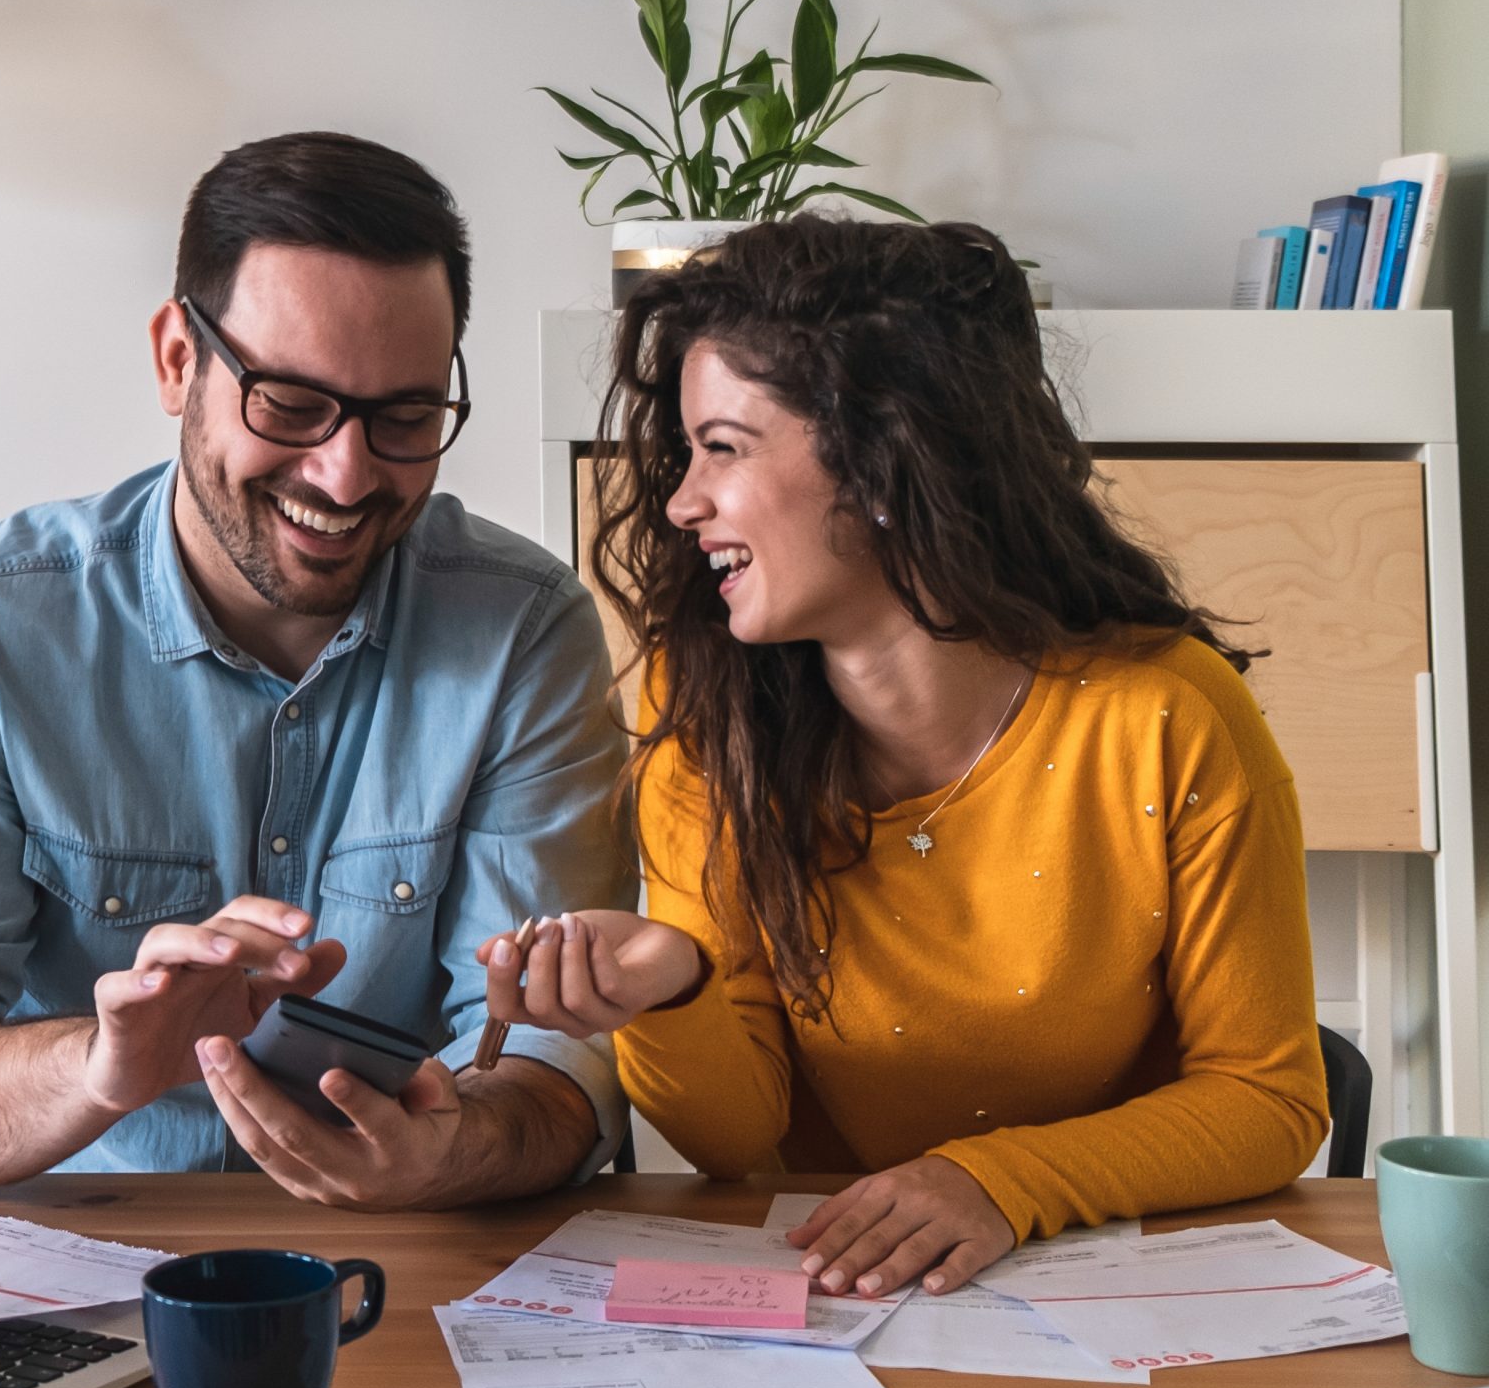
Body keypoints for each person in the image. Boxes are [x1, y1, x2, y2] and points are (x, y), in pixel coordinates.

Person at [481, 214, 1327, 1297]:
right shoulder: (702, 722)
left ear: (883, 458)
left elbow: (1269, 1097)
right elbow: (737, 1141)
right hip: (849, 1296)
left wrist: (1000, 1180)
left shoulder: (1167, 717)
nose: (683, 501)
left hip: (1116, 1294)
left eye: (723, 448)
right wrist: (670, 985)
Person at [0, 131, 632, 1205]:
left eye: (405, 418)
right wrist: (100, 1066)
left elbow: (555, 1056)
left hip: (411, 1256)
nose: (345, 475)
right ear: (175, 360)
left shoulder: (525, 631)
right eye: (289, 404)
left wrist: (450, 1149)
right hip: (71, 1253)